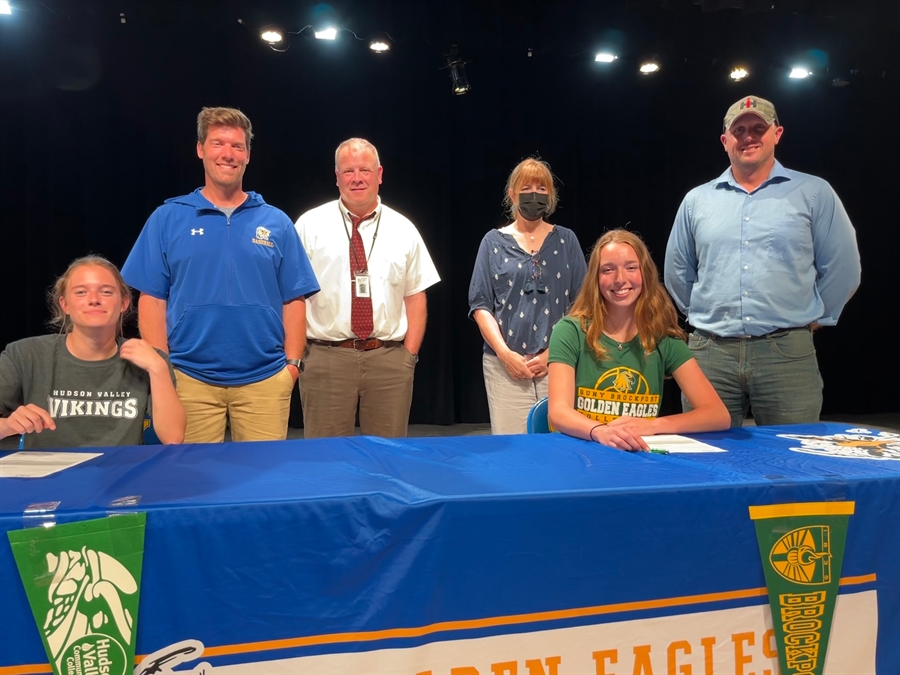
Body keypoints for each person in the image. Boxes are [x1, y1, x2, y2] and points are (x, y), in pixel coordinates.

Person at [121, 107, 319, 443]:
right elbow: (152, 298)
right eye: (217, 144)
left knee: (261, 488)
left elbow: (294, 298)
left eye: (237, 146)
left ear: (248, 156)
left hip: (266, 380)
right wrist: (162, 369)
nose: (227, 154)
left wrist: (292, 366)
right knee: (191, 486)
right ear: (200, 149)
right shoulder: (167, 218)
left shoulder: (276, 222)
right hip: (187, 379)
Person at [664, 96, 861, 427]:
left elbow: (843, 267)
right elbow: (678, 271)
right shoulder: (697, 200)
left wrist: (813, 318)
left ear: (777, 133)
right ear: (725, 141)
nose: (748, 136)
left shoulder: (813, 192)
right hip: (711, 354)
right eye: (739, 130)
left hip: (786, 353)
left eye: (758, 128)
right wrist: (707, 316)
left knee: (792, 461)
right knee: (711, 465)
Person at [293, 138, 440, 438]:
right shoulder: (309, 226)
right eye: (348, 171)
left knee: (388, 459)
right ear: (336, 177)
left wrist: (407, 358)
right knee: (327, 461)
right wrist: (299, 356)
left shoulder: (404, 229)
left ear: (380, 174)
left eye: (365, 170)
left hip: (388, 360)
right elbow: (294, 297)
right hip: (326, 358)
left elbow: (415, 296)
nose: (357, 178)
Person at [548, 230, 729, 450]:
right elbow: (558, 411)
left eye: (631, 267)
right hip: (582, 451)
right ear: (595, 278)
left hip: (638, 455)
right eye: (608, 269)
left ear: (645, 273)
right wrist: (600, 431)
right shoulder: (570, 331)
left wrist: (653, 425)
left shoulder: (664, 338)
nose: (620, 279)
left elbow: (717, 415)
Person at [0, 256, 185, 448]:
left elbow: (173, 437)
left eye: (106, 292)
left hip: (120, 472)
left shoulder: (150, 360)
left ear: (124, 303)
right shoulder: (24, 355)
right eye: (81, 292)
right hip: (48, 474)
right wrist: (7, 426)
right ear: (65, 305)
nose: (94, 300)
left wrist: (158, 368)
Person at [468, 158, 587, 434]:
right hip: (504, 367)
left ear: (551, 196)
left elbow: (582, 304)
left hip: (560, 364)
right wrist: (505, 354)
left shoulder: (566, 241)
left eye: (542, 188)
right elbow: (481, 305)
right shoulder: (492, 242)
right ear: (512, 194)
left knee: (561, 448)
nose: (535, 194)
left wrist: (553, 354)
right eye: (527, 187)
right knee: (513, 452)